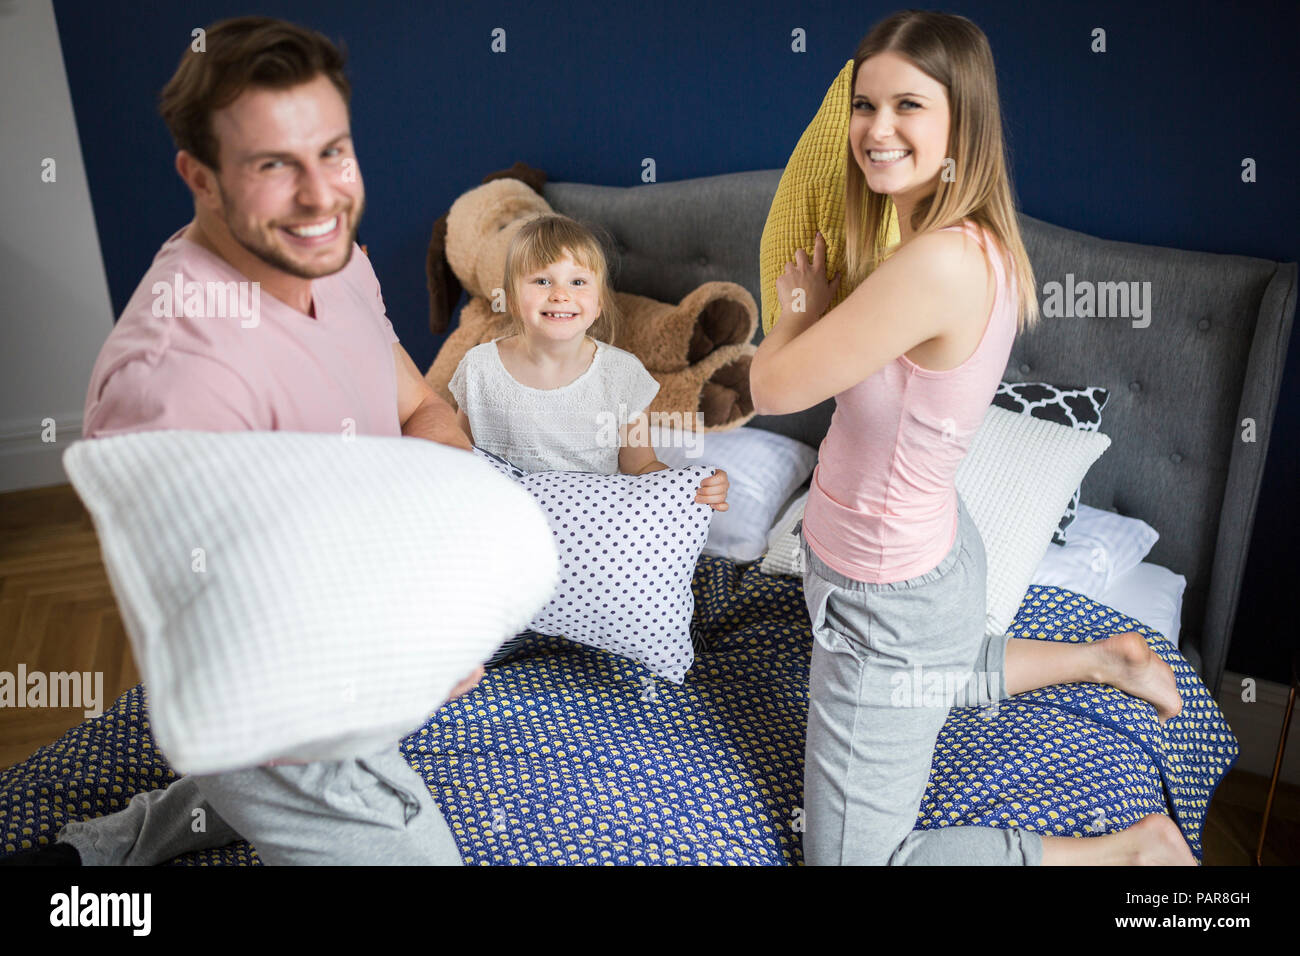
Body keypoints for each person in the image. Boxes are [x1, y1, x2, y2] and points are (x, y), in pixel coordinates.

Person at [6, 16, 478, 867]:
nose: (321, 196)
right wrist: (405, 643)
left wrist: (443, 575)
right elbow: (229, 635)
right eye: (272, 165)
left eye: (332, 151)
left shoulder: (335, 261)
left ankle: (97, 850)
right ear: (201, 178)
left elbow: (421, 410)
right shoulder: (176, 382)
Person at [750, 10, 1194, 866]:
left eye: (908, 106)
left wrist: (795, 308)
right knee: (932, 678)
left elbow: (771, 388)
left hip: (886, 595)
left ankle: (1125, 853)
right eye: (864, 104)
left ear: (963, 122)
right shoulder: (937, 239)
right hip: (924, 564)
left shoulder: (937, 264)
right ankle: (1106, 661)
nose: (876, 130)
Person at [448, 213, 731, 500]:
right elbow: (458, 456)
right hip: (501, 526)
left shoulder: (622, 374)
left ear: (598, 304)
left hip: (588, 532)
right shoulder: (480, 368)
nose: (560, 294)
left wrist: (693, 485)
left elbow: (641, 466)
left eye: (578, 282)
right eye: (542, 281)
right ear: (511, 300)